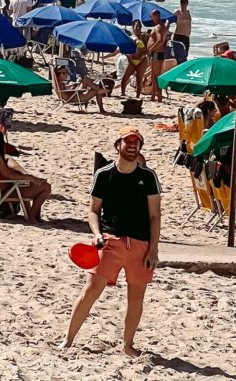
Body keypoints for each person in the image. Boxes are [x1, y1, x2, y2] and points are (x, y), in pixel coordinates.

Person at [63, 126, 162, 357]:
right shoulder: (104, 174)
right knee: (90, 290)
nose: (132, 146)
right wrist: (97, 234)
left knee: (136, 297)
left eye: (136, 143)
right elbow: (93, 211)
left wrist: (153, 249)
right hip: (109, 241)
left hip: (140, 244)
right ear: (118, 145)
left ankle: (128, 346)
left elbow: (155, 215)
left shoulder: (148, 177)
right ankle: (67, 340)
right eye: (128, 142)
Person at [0, 129, 51, 222]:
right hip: (6, 192)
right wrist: (30, 177)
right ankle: (31, 216)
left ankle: (34, 216)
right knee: (46, 187)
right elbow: (8, 175)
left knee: (29, 183)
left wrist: (30, 178)